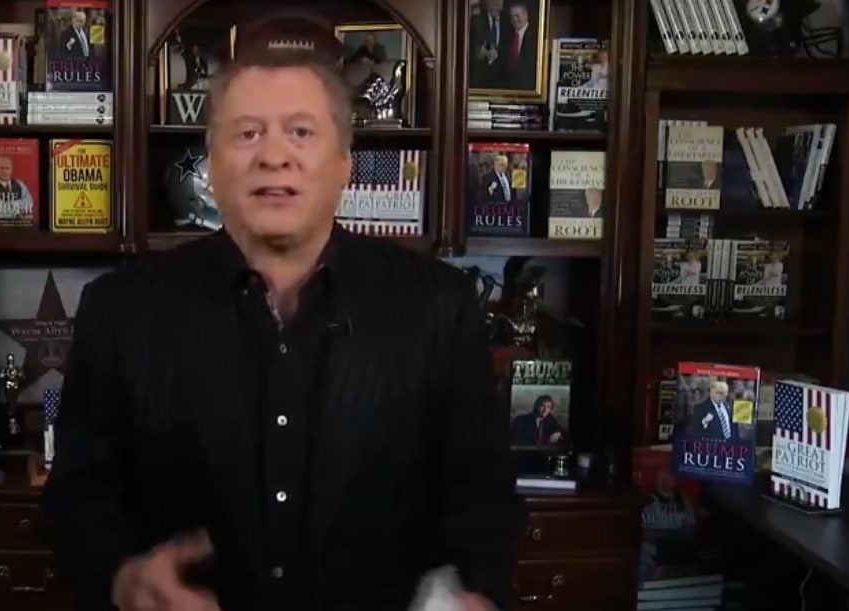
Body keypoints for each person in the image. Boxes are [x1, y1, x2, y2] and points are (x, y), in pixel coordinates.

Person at [42, 48, 515, 611]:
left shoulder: (439, 305)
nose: (273, 156)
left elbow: (483, 496)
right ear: (213, 164)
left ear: (344, 163)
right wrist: (123, 578)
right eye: (247, 134)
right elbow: (78, 498)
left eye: (301, 132)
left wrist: (477, 591)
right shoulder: (121, 309)